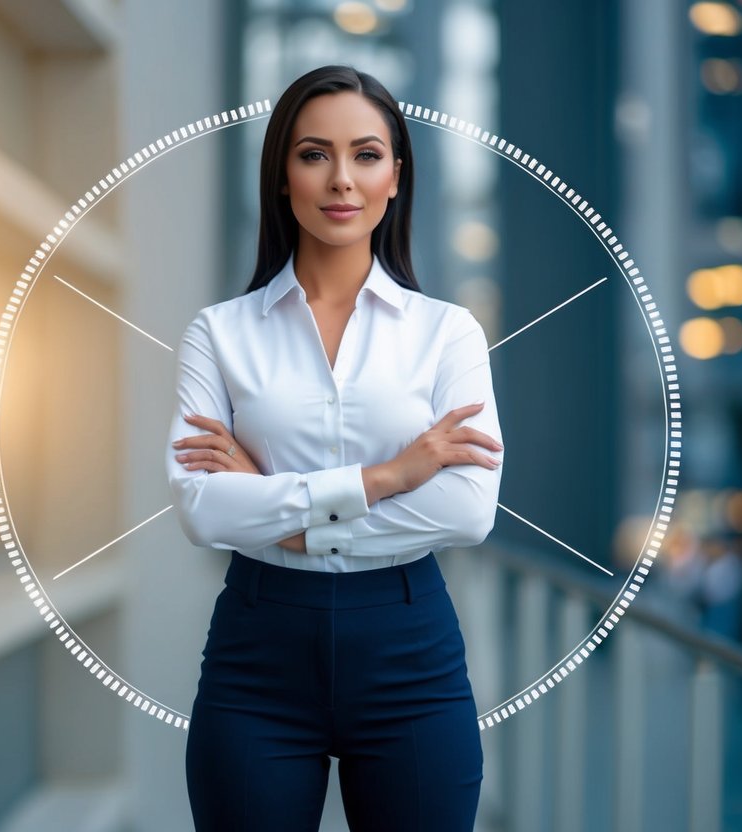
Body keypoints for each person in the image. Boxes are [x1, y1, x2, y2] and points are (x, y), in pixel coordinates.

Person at [165, 63, 505, 832]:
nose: (341, 180)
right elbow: (200, 507)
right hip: (259, 655)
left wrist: (275, 503)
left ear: (395, 178)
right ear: (281, 176)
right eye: (314, 154)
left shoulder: (446, 332)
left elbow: (464, 509)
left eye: (366, 155)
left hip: (408, 651)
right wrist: (391, 475)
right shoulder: (219, 334)